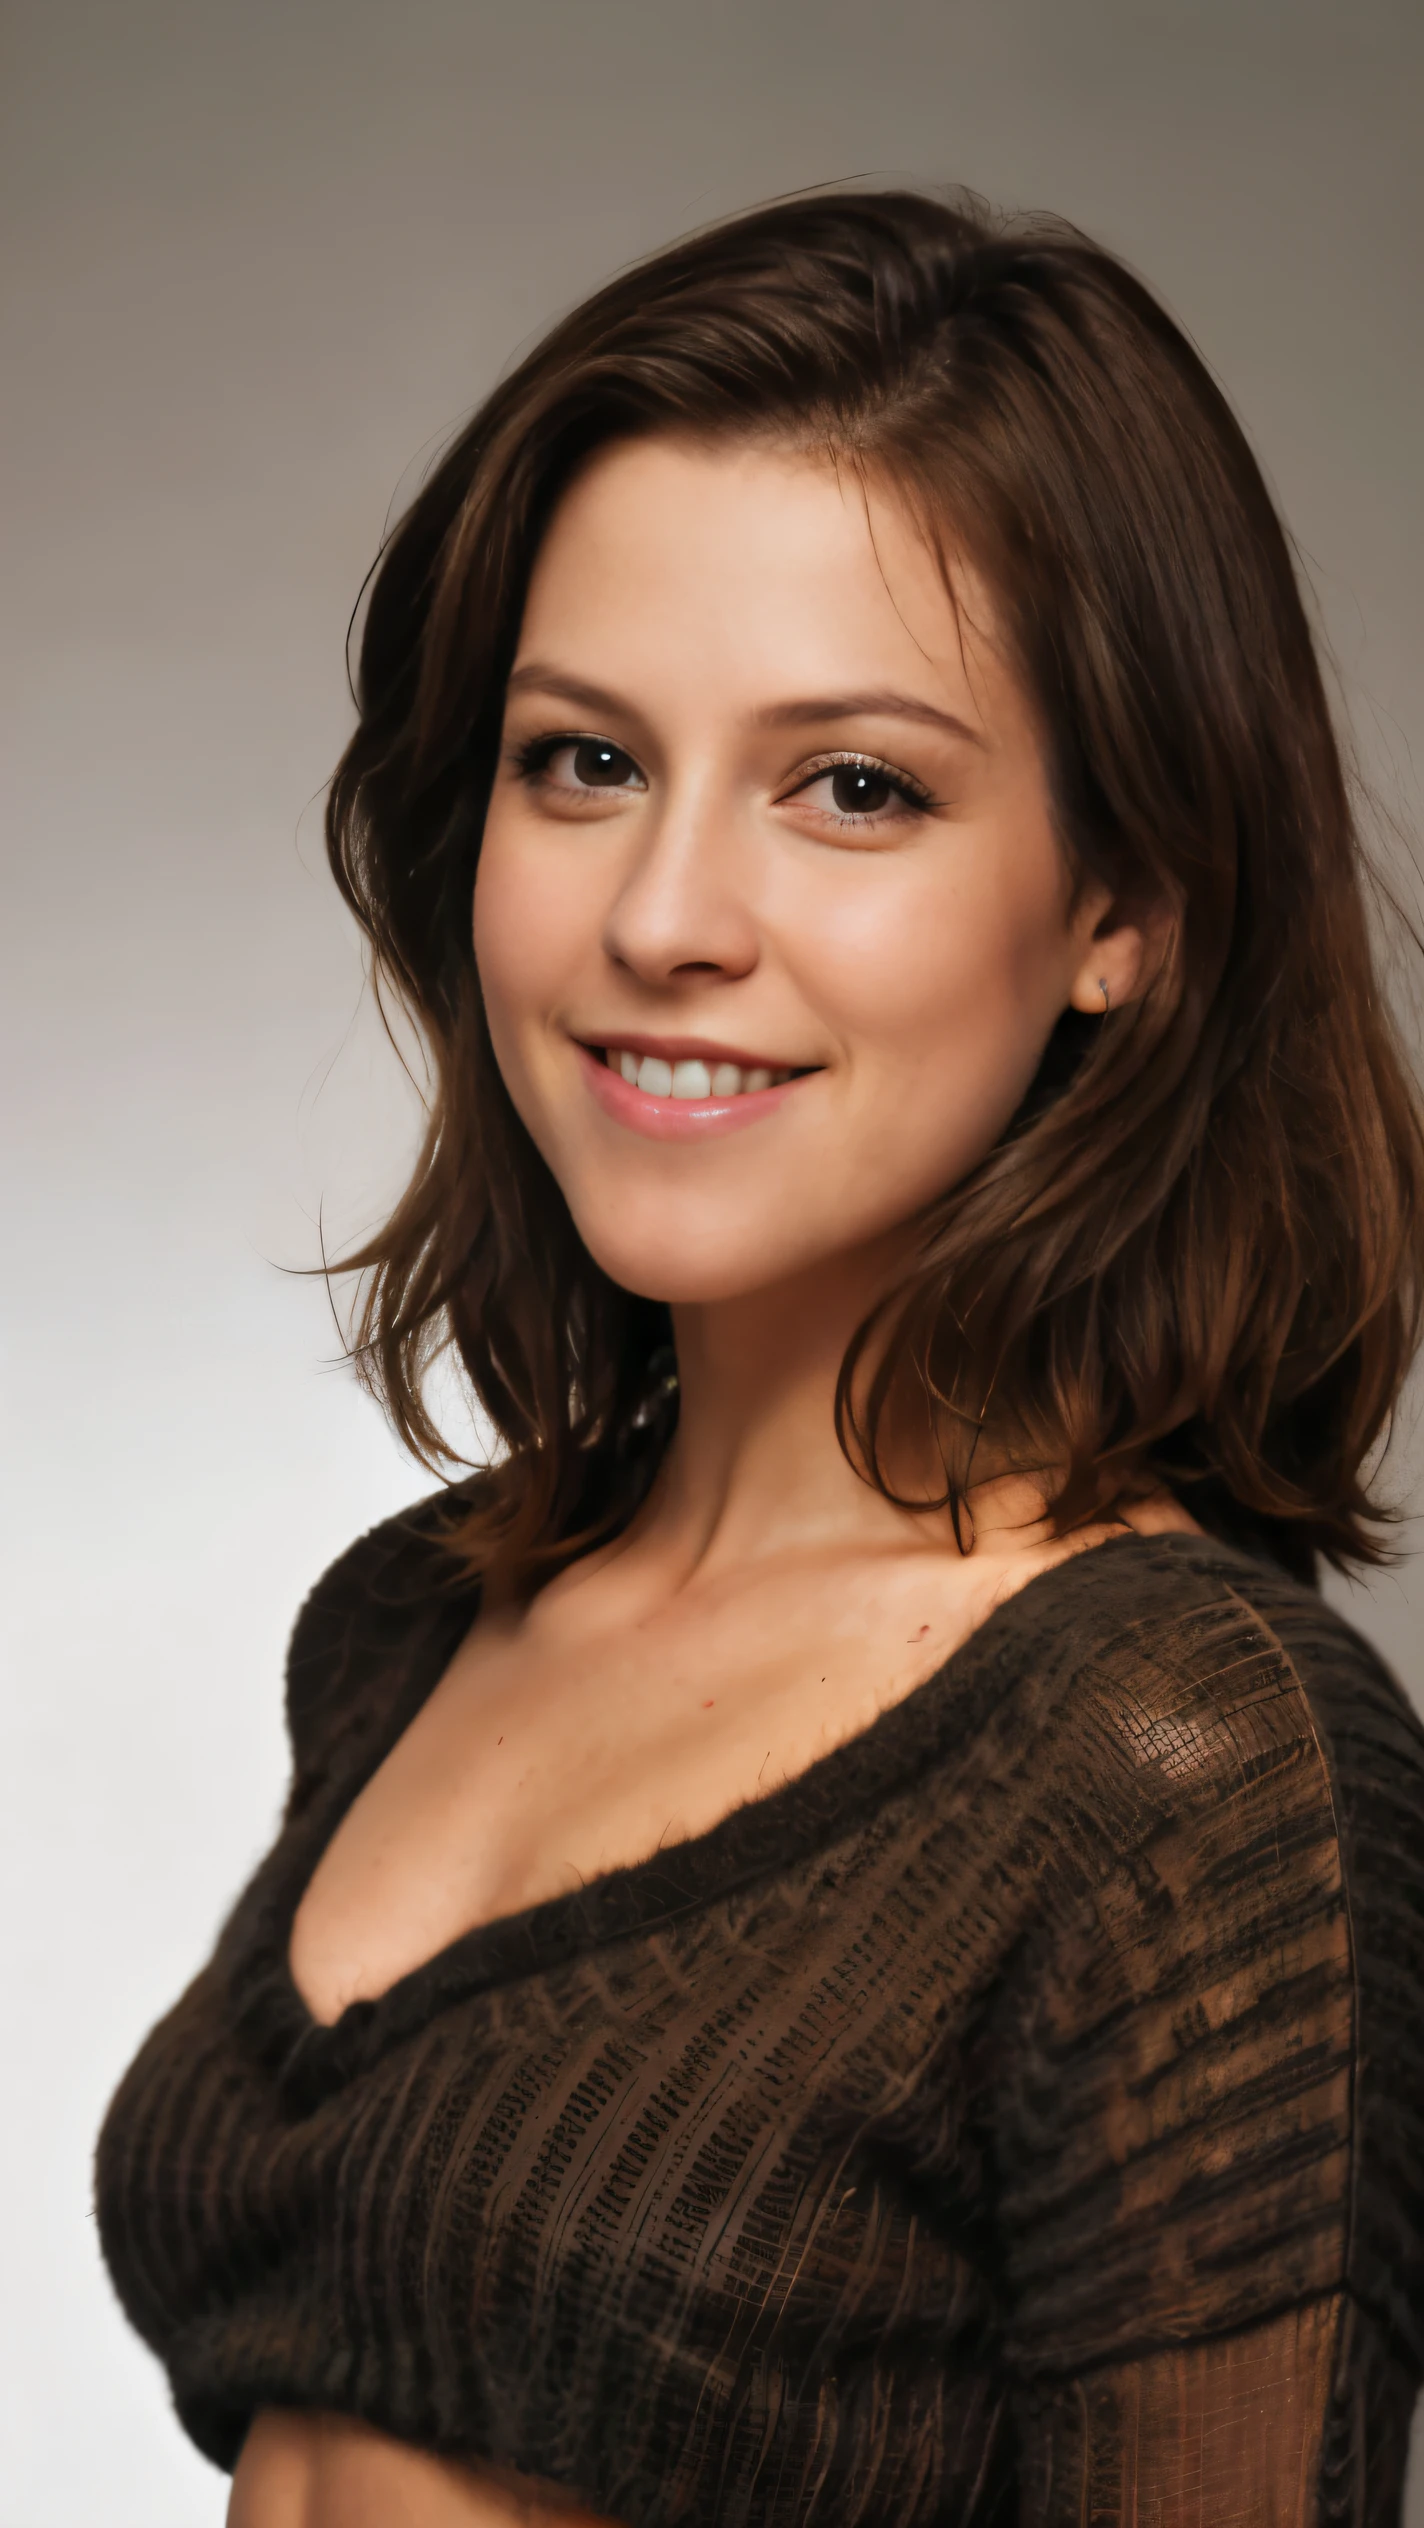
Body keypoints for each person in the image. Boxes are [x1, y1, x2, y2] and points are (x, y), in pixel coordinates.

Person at [96, 189, 1424, 2527]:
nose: (662, 918)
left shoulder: (1184, 1773)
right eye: (581, 760)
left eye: (855, 788)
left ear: (1122, 906)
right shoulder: (413, 1622)